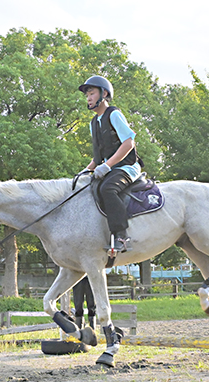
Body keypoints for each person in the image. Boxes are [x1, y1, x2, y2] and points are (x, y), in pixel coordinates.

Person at [78, 75, 142, 253]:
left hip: (127, 167)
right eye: (87, 95)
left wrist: (107, 165)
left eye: (91, 93)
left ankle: (122, 236)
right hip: (109, 169)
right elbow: (98, 157)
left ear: (103, 93)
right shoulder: (93, 122)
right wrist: (85, 171)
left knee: (107, 189)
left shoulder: (114, 114)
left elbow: (129, 142)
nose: (88, 98)